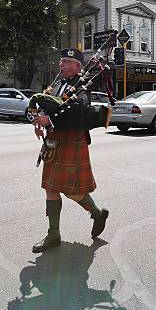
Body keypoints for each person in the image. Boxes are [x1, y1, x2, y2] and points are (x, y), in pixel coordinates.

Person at [30, 48, 109, 253]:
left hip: (72, 139)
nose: (61, 65)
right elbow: (46, 104)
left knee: (73, 192)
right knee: (51, 188)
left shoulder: (82, 87)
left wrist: (51, 120)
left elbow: (77, 111)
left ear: (77, 66)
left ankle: (98, 213)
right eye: (61, 61)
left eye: (65, 62)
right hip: (54, 139)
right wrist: (38, 119)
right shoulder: (56, 84)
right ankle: (53, 234)